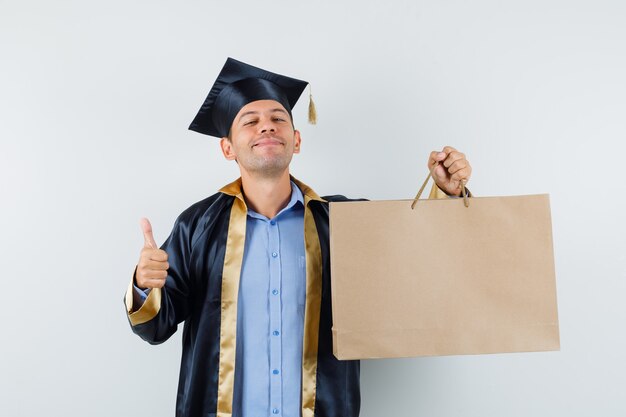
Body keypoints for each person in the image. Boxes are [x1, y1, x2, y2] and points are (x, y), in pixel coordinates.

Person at [125, 57, 472, 417]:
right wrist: (142, 284)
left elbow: (418, 260)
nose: (267, 127)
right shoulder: (198, 226)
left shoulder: (342, 222)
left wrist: (445, 195)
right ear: (227, 147)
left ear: (297, 140)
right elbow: (154, 327)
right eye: (251, 121)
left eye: (279, 118)